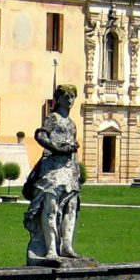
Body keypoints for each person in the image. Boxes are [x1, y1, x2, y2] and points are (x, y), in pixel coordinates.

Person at [23, 85, 83, 263]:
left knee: (70, 208)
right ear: (58, 98)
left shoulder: (71, 123)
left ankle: (66, 245)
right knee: (51, 209)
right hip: (52, 171)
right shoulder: (53, 118)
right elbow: (40, 135)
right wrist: (57, 149)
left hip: (69, 172)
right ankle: (50, 249)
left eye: (73, 96)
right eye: (66, 96)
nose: (70, 99)